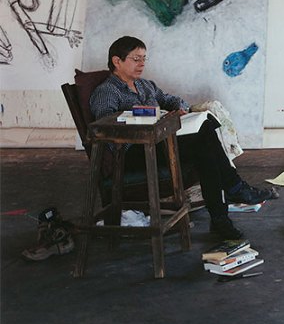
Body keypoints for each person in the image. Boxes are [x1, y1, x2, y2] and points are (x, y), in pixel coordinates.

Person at [89, 35, 273, 239]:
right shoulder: (107, 91)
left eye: (144, 58)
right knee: (204, 143)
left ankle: (224, 211)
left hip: (158, 143)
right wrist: (148, 119)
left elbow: (170, 99)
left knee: (206, 130)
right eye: (136, 59)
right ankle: (232, 194)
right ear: (117, 61)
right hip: (133, 153)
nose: (141, 64)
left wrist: (180, 109)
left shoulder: (144, 85)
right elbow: (107, 130)